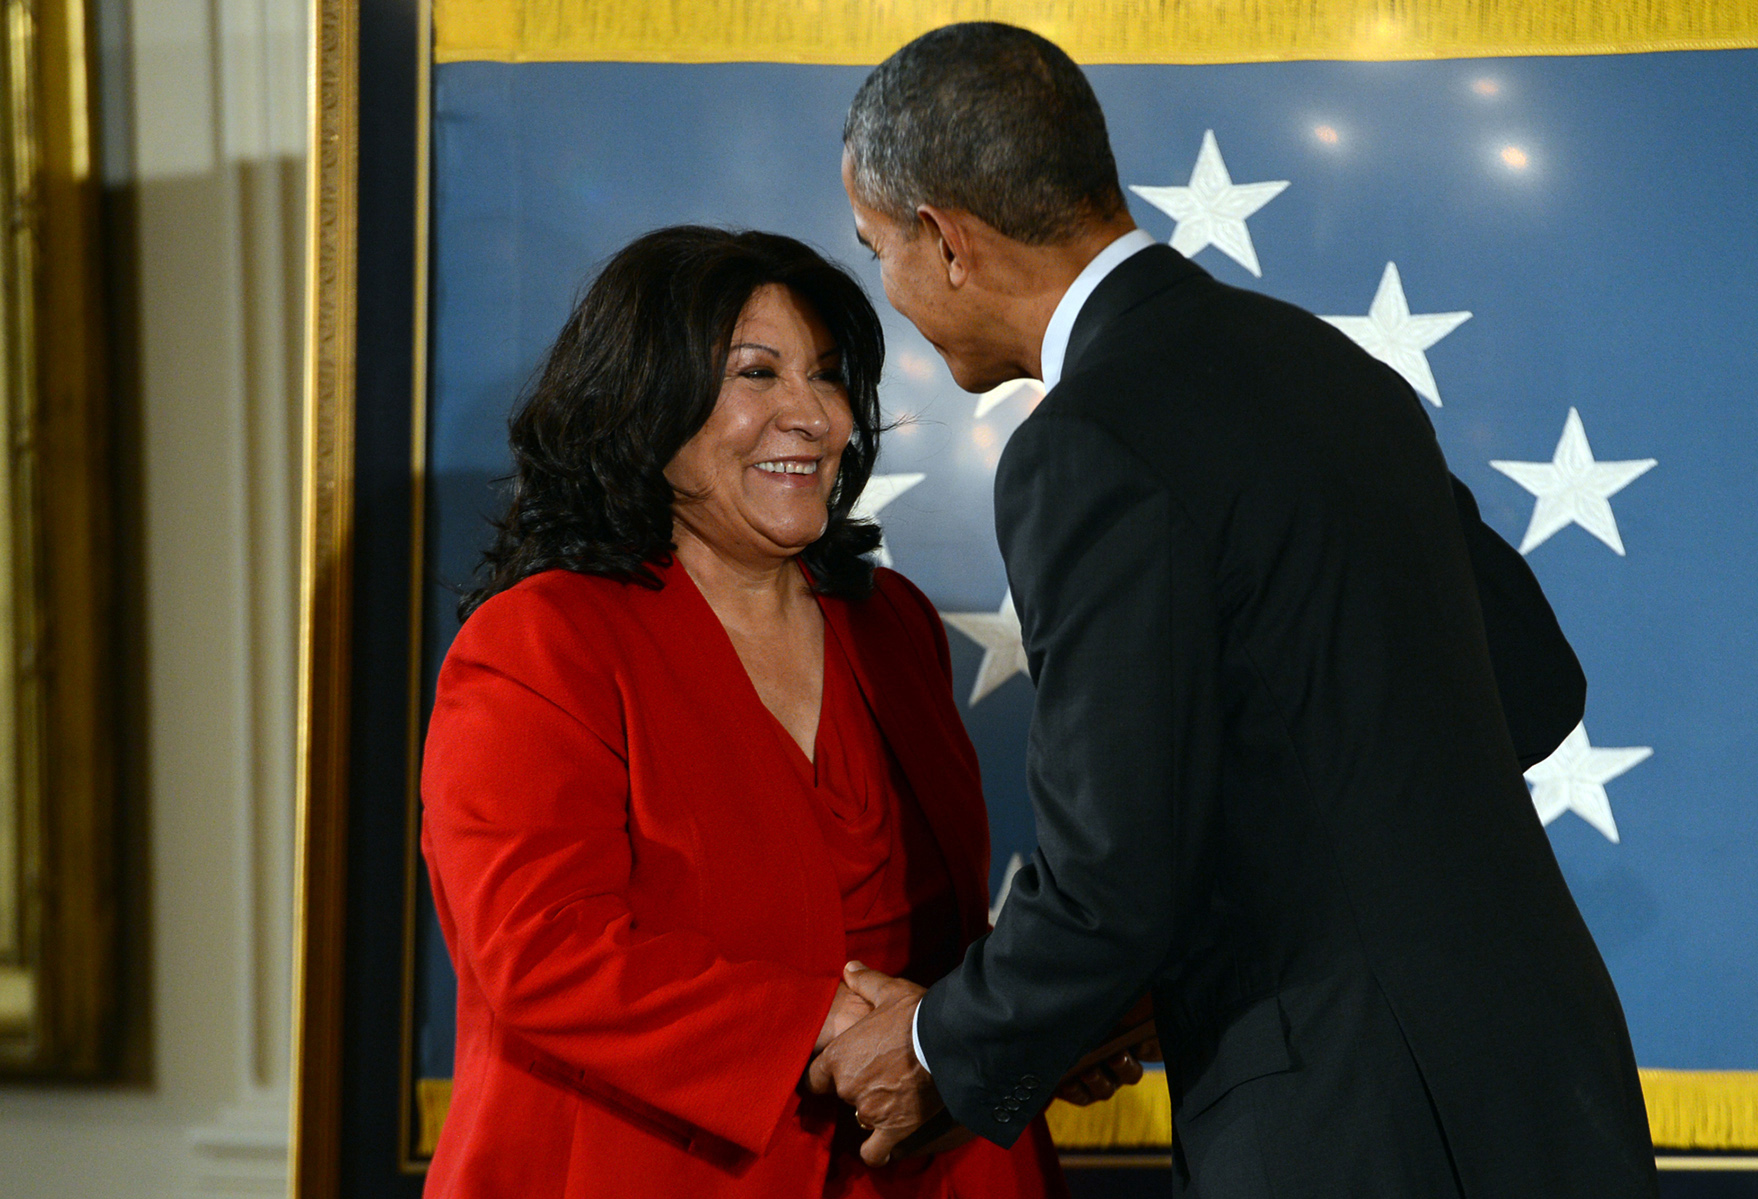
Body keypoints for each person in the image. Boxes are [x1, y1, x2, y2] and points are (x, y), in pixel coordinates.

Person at [809, 23, 1662, 1198]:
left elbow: (1113, 876)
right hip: (1547, 1076)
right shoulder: (1326, 365)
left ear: (947, 241)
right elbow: (1530, 685)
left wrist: (929, 1047)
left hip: (1353, 1119)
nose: (891, 291)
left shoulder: (1086, 441)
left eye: (877, 251)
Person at [418, 226, 1067, 1198]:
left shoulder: (891, 623)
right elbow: (541, 950)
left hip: (924, 1162)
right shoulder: (541, 640)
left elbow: (947, 933)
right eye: (757, 374)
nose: (812, 414)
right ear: (644, 400)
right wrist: (827, 1023)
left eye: (830, 375)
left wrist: (1035, 1027)